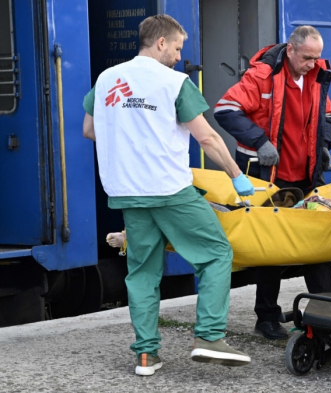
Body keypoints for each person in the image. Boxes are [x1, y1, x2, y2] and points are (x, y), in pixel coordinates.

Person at [82, 14, 255, 376]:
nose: (179, 56)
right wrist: (237, 177)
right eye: (177, 48)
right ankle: (208, 337)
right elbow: (207, 137)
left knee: (142, 273)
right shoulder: (175, 82)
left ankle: (146, 356)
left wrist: (131, 142)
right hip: (169, 189)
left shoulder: (106, 78)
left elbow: (90, 129)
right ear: (161, 42)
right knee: (216, 254)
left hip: (127, 191)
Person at [213, 25, 331, 340]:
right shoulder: (262, 76)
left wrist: (324, 145)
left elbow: (326, 115)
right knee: (272, 248)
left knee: (317, 242)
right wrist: (260, 142)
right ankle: (266, 318)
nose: (313, 63)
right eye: (307, 57)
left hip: (306, 174)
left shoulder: (317, 75)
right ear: (292, 50)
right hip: (269, 176)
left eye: (317, 57)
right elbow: (225, 110)